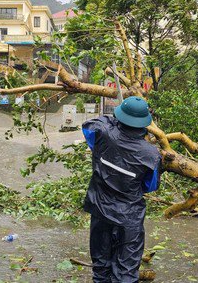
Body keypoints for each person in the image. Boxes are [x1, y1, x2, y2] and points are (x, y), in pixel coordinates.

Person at [81, 96, 162, 282]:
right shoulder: (152, 155)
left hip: (100, 211)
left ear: (119, 117)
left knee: (101, 266)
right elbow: (150, 186)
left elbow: (89, 125)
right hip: (129, 218)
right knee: (125, 271)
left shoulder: (103, 133)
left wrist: (114, 121)